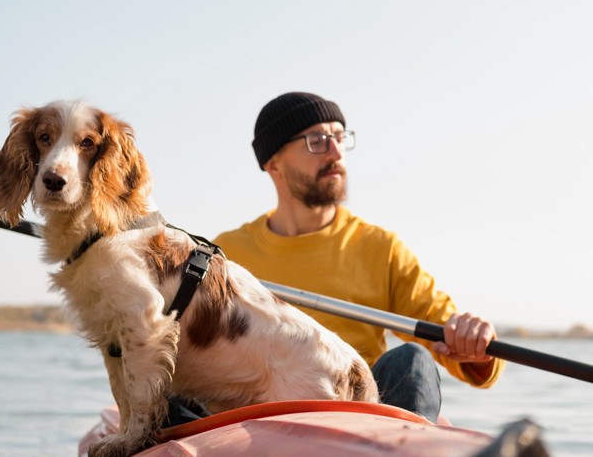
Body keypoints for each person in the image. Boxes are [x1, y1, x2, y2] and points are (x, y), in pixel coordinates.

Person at [213, 92, 505, 422]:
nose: (336, 152)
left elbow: (448, 337)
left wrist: (472, 341)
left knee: (413, 359)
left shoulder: (380, 247)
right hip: (260, 418)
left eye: (339, 138)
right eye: (317, 140)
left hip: (360, 416)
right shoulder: (225, 255)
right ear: (273, 163)